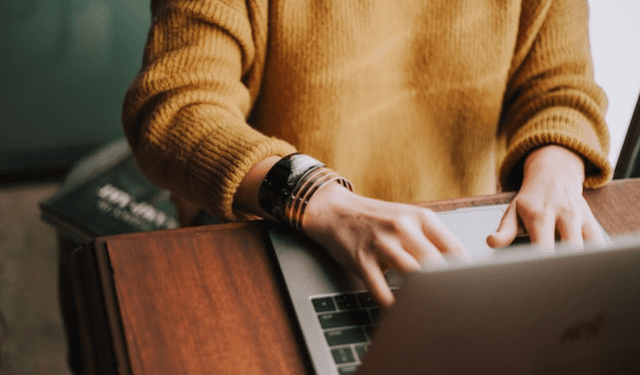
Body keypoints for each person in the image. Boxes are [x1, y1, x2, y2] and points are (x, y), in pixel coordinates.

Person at [122, 0, 612, 308]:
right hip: (280, 235)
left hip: (459, 249)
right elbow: (175, 107)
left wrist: (557, 169)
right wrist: (320, 199)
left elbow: (560, 87)